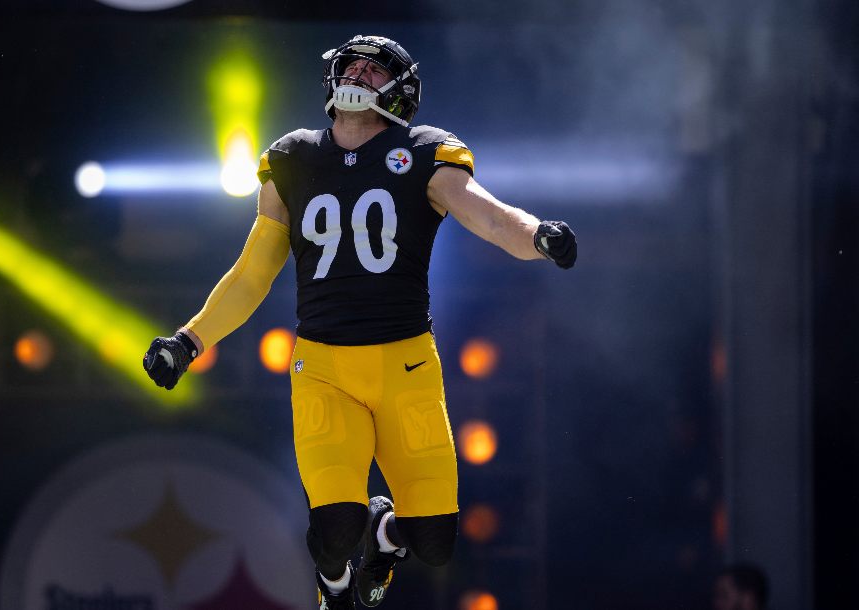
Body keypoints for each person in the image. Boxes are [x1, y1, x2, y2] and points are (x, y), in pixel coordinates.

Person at [143, 34, 577, 609]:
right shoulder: (294, 158)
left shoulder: (424, 152)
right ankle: (335, 584)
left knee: (436, 542)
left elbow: (490, 218)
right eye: (353, 65)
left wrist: (537, 235)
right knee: (334, 530)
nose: (359, 74)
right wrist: (188, 340)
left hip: (407, 366)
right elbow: (252, 274)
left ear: (399, 93)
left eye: (374, 71)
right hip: (323, 366)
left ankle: (387, 534)